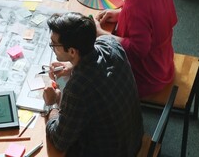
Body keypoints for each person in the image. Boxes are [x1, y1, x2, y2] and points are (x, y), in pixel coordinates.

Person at [43, 12, 143, 157]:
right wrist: (72, 65)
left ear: (72, 51)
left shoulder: (78, 87)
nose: (52, 46)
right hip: (133, 138)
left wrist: (53, 103)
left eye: (54, 44)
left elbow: (59, 141)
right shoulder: (110, 44)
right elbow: (98, 51)